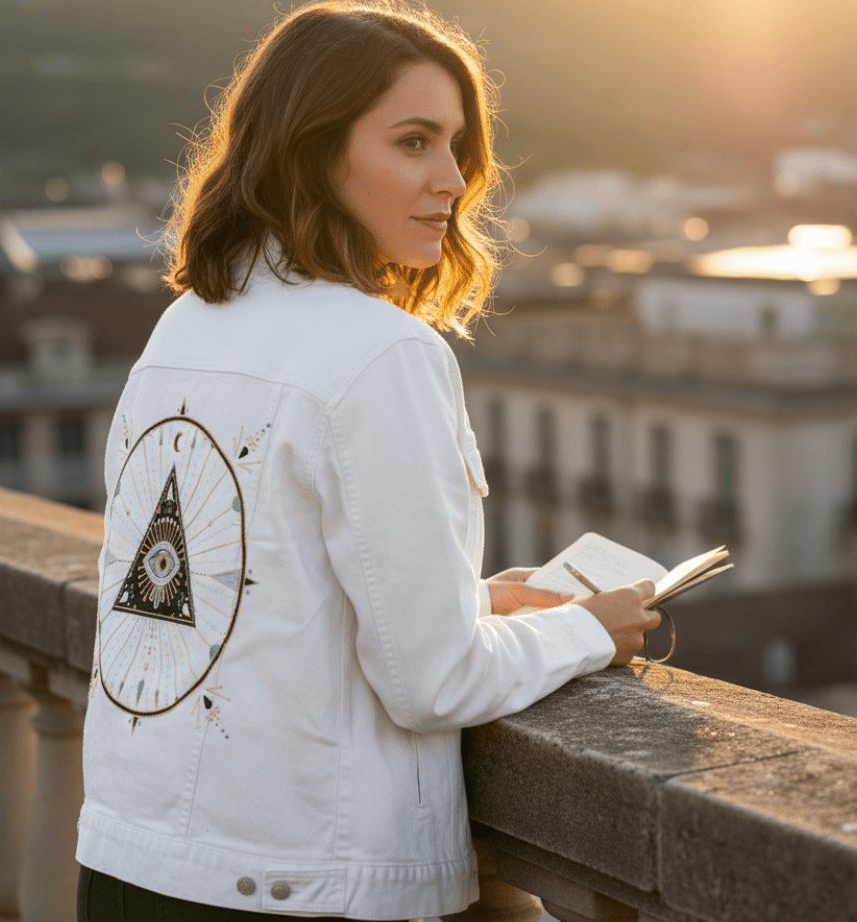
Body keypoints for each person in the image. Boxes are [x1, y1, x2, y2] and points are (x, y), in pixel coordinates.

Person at [75, 2, 659, 919]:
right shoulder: (381, 352)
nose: (455, 181)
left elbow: (230, 592)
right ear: (312, 151)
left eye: (457, 146)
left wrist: (466, 601)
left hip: (129, 863)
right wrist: (590, 631)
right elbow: (434, 683)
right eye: (414, 142)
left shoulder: (184, 327)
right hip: (297, 883)